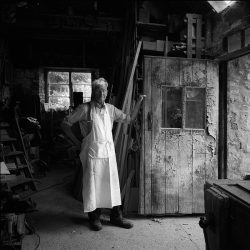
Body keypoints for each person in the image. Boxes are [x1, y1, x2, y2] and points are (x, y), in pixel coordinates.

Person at [61, 77, 145, 231]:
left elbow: (130, 119)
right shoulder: (84, 109)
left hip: (108, 154)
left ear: (107, 92)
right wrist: (76, 142)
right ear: (93, 92)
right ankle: (94, 217)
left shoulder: (111, 109)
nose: (101, 93)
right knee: (94, 186)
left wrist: (139, 101)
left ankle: (116, 216)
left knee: (111, 184)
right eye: (98, 90)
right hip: (93, 154)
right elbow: (65, 123)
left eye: (104, 90)